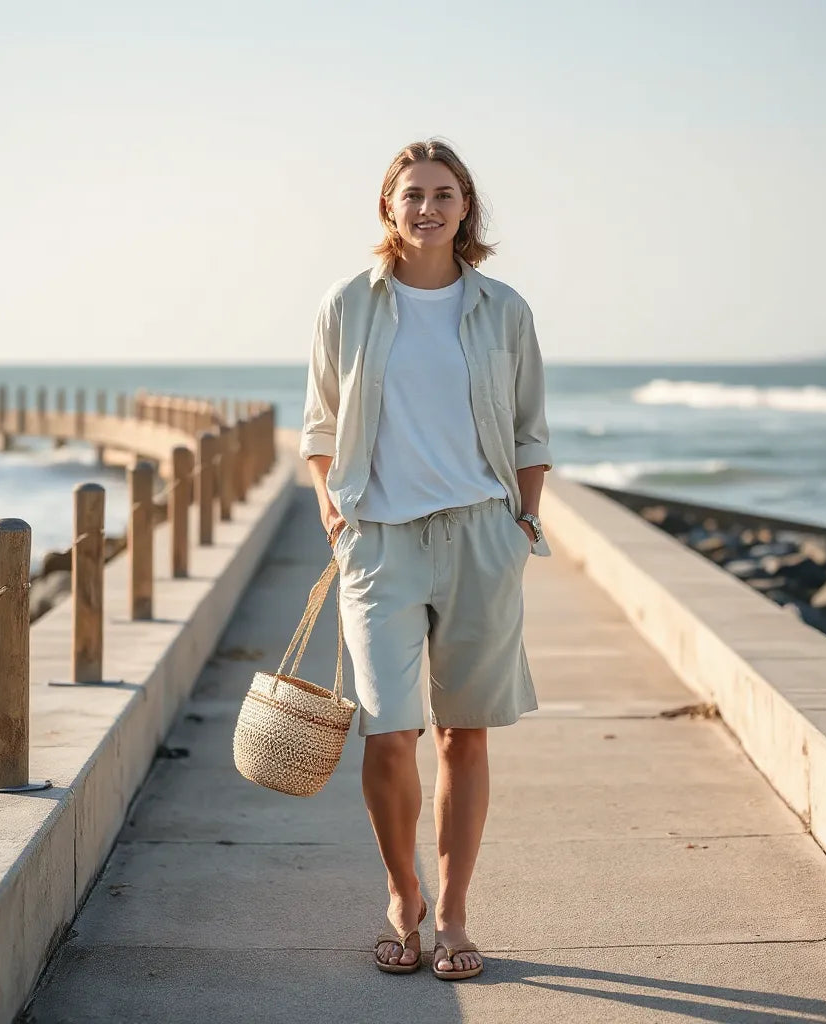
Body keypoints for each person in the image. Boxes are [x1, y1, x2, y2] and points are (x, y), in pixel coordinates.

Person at [300, 138, 552, 980]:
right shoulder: (349, 305)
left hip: (482, 536)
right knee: (387, 732)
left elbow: (529, 431)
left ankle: (453, 913)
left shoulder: (503, 310)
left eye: (445, 193)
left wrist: (522, 526)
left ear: (467, 208)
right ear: (387, 207)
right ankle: (400, 892)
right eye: (412, 194)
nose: (428, 207)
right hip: (381, 543)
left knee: (463, 735)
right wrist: (335, 516)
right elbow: (320, 428)